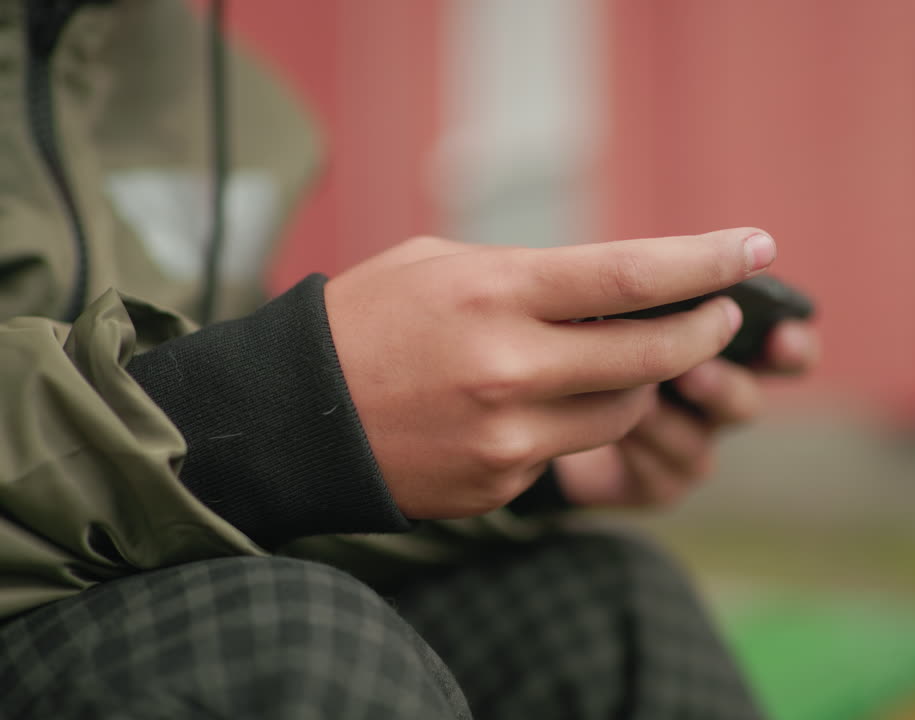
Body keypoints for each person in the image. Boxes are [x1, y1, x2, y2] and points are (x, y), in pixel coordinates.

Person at [0, 1, 819, 718]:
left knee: (610, 614)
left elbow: (199, 515)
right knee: (290, 648)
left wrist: (529, 463)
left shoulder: (234, 96)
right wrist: (257, 410)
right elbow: (217, 463)